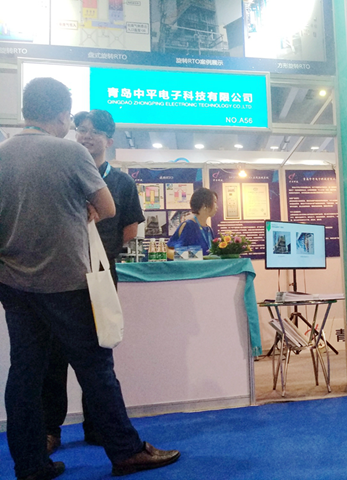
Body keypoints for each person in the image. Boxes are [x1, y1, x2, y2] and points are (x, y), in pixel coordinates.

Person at [0, 77, 180, 480]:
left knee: (25, 372)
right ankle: (126, 452)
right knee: (97, 369)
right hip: (68, 282)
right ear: (62, 114)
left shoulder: (2, 153)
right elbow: (108, 207)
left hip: (15, 284)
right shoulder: (70, 152)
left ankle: (30, 464)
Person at [42, 109, 146, 455]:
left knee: (99, 354)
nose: (86, 136)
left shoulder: (121, 183)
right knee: (54, 356)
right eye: (81, 129)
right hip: (60, 274)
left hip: (100, 276)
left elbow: (130, 227)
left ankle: (97, 426)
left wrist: (105, 251)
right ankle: (50, 429)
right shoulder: (63, 170)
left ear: (109, 140)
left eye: (95, 132)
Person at [167, 187, 217, 259]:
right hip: (191, 266)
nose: (217, 206)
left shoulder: (209, 229)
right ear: (204, 205)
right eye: (214, 202)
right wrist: (194, 257)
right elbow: (170, 252)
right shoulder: (188, 226)